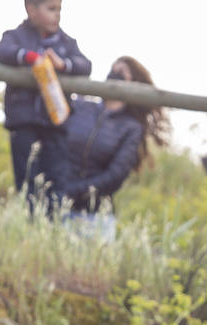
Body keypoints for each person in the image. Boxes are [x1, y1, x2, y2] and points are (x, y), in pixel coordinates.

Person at [49, 55, 169, 237]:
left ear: (133, 82)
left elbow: (115, 175)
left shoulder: (131, 127)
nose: (114, 74)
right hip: (57, 210)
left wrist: (72, 192)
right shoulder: (81, 107)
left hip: (96, 219)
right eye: (112, 70)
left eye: (121, 72)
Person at [0, 0, 91, 199]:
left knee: (56, 182)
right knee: (28, 181)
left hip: (56, 125)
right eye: (51, 9)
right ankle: (29, 225)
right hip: (24, 123)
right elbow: (1, 51)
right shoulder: (16, 36)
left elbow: (85, 65)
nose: (57, 15)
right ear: (31, 9)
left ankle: (52, 226)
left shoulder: (66, 43)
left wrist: (63, 64)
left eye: (59, 10)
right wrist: (30, 57)